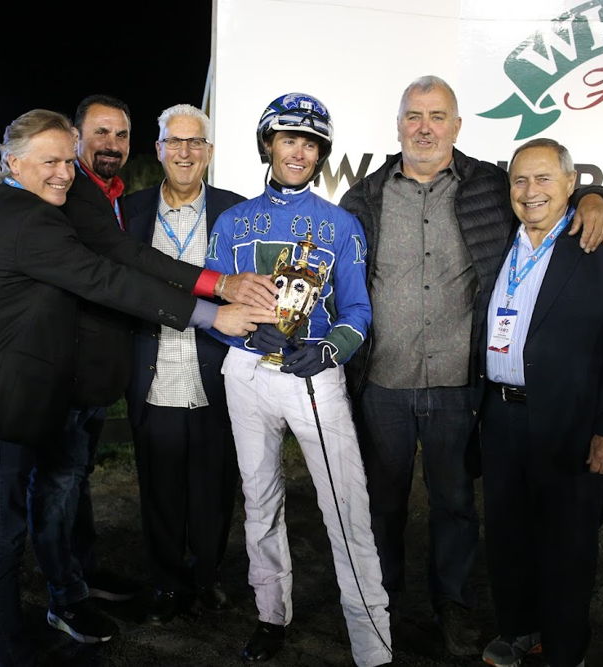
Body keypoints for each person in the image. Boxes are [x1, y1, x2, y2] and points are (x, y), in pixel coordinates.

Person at [0, 109, 274, 666]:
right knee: (2, 531)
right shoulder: (30, 219)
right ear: (12, 162)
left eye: (68, 161)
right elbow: (108, 279)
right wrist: (213, 315)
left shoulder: (19, 203)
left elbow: (121, 256)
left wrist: (215, 283)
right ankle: (8, 649)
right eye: (50, 162)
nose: (65, 174)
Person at [338, 75, 603, 655]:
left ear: (457, 126)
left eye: (437, 116)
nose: (424, 127)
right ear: (397, 125)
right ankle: (381, 606)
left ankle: (454, 607)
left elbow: (549, 190)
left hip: (460, 386)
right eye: (414, 115)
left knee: (456, 506)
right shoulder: (363, 196)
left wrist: (596, 198)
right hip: (381, 382)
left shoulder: (492, 184)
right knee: (381, 505)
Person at [206, 92, 392, 667]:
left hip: (313, 377)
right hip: (246, 374)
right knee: (259, 501)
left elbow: (359, 311)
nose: (299, 151)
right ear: (268, 143)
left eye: (310, 142)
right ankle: (270, 615)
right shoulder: (230, 222)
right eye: (288, 138)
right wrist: (239, 336)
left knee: (347, 507)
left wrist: (328, 349)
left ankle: (372, 642)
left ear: (321, 153)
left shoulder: (342, 224)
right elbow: (217, 307)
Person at [479, 138, 603, 667]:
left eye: (543, 180)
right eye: (520, 180)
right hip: (501, 416)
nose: (530, 191)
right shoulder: (500, 241)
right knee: (508, 536)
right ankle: (516, 630)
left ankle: (564, 649)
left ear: (571, 184)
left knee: (568, 545)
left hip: (575, 424)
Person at [122, 104, 245, 624]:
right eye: (175, 142)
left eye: (196, 143)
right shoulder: (128, 214)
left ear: (210, 153)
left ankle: (207, 575)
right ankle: (167, 583)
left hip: (216, 375)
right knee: (160, 490)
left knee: (215, 489)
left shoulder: (236, 212)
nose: (185, 152)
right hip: (153, 376)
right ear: (158, 150)